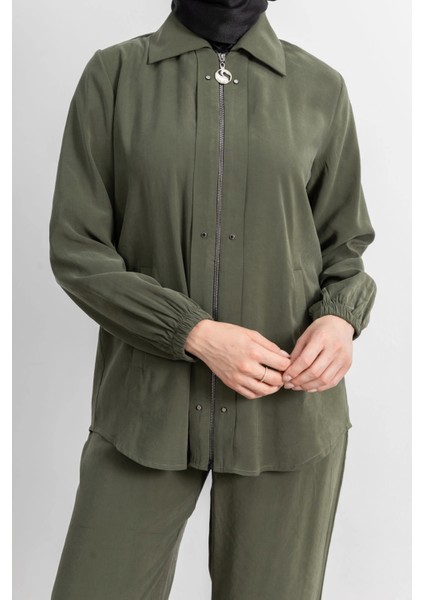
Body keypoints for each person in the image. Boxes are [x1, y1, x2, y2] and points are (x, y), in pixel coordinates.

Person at [48, 1, 377, 598]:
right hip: (145, 411)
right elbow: (79, 250)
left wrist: (339, 321)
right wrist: (194, 333)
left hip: (286, 413)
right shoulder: (114, 75)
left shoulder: (320, 88)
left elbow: (344, 247)